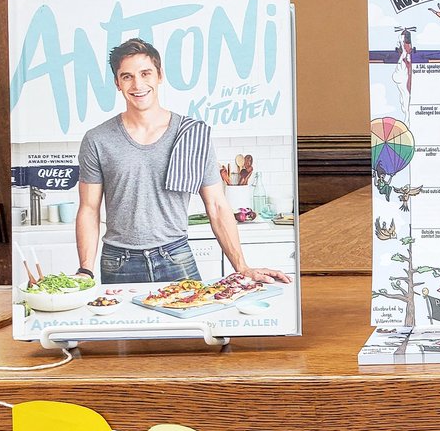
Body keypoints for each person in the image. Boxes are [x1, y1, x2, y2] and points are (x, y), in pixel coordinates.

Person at [75, 37, 291, 286]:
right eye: (127, 76)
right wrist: (85, 271)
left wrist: (242, 266)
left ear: (159, 76)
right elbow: (89, 209)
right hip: (118, 261)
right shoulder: (97, 139)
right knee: (124, 326)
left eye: (146, 73)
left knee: (192, 324)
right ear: (117, 83)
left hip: (176, 257)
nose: (138, 84)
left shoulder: (192, 134)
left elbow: (217, 206)